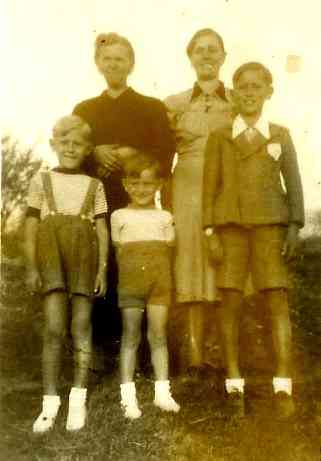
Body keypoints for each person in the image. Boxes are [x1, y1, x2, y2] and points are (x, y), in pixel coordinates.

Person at [203, 62, 304, 418]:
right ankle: (234, 384)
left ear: (268, 92)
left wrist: (293, 226)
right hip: (230, 227)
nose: (249, 93)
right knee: (229, 300)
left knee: (276, 300)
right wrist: (209, 231)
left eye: (256, 87)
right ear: (232, 93)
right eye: (242, 87)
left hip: (269, 226)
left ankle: (282, 385)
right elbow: (209, 186)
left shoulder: (280, 134)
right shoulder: (220, 136)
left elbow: (294, 185)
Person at [73, 32, 175, 348]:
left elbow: (165, 151)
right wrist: (95, 153)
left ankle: (143, 346)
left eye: (121, 58)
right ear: (98, 63)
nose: (114, 64)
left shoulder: (150, 107)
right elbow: (72, 152)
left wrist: (133, 153)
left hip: (137, 202)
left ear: (131, 63)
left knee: (137, 265)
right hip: (98, 203)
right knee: (102, 264)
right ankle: (104, 346)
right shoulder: (85, 109)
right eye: (108, 58)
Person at [24, 115, 108, 432]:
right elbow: (31, 226)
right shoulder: (40, 180)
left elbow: (102, 230)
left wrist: (102, 269)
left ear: (88, 149)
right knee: (54, 327)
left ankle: (77, 398)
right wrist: (32, 267)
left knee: (81, 325)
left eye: (78, 144)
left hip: (84, 258)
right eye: (65, 142)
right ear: (54, 144)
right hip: (51, 258)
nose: (71, 148)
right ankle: (49, 403)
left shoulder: (94, 185)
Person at [164, 29, 233, 376]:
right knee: (191, 267)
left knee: (225, 266)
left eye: (213, 50)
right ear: (189, 57)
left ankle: (224, 355)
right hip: (188, 189)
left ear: (223, 56)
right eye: (199, 51)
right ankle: (194, 357)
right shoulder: (173, 104)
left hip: (226, 188)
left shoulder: (237, 101)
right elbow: (160, 153)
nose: (206, 56)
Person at [111, 158, 180, 419]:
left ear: (159, 185)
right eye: (135, 183)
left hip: (159, 284)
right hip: (131, 284)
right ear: (126, 185)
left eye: (148, 184)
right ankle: (127, 398)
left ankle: (162, 393)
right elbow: (120, 251)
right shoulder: (119, 216)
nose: (141, 189)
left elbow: (169, 249)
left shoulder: (165, 217)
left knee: (158, 334)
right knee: (130, 336)